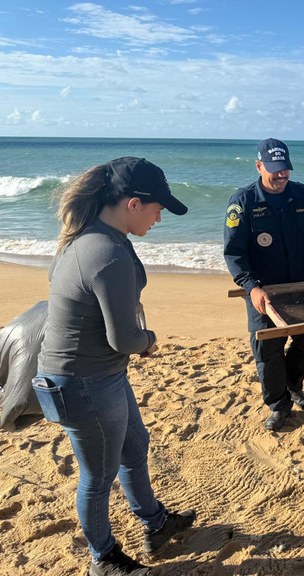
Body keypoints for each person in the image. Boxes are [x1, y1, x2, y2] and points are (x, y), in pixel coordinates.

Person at [34, 157, 197, 576]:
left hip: (95, 375)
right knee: (97, 477)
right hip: (82, 383)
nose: (160, 218)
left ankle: (155, 522)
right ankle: (103, 559)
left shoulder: (89, 237)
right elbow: (123, 339)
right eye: (158, 209)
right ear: (133, 203)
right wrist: (149, 341)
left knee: (133, 447)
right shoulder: (107, 253)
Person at [223, 138, 304, 432]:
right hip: (263, 290)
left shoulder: (303, 196)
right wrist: (251, 286)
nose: (282, 176)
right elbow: (234, 252)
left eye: (285, 169)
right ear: (259, 166)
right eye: (274, 170)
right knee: (268, 350)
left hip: (299, 287)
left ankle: (292, 383)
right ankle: (279, 405)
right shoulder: (243, 201)